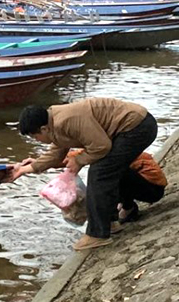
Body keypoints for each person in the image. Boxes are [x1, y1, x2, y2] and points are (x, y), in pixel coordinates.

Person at [9, 98, 158, 251]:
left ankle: (98, 234)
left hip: (137, 126)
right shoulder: (54, 122)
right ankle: (110, 221)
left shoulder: (66, 120)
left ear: (44, 129)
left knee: (99, 172)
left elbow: (101, 146)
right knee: (108, 170)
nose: (37, 141)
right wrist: (23, 169)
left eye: (35, 137)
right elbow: (55, 155)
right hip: (129, 128)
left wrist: (79, 160)